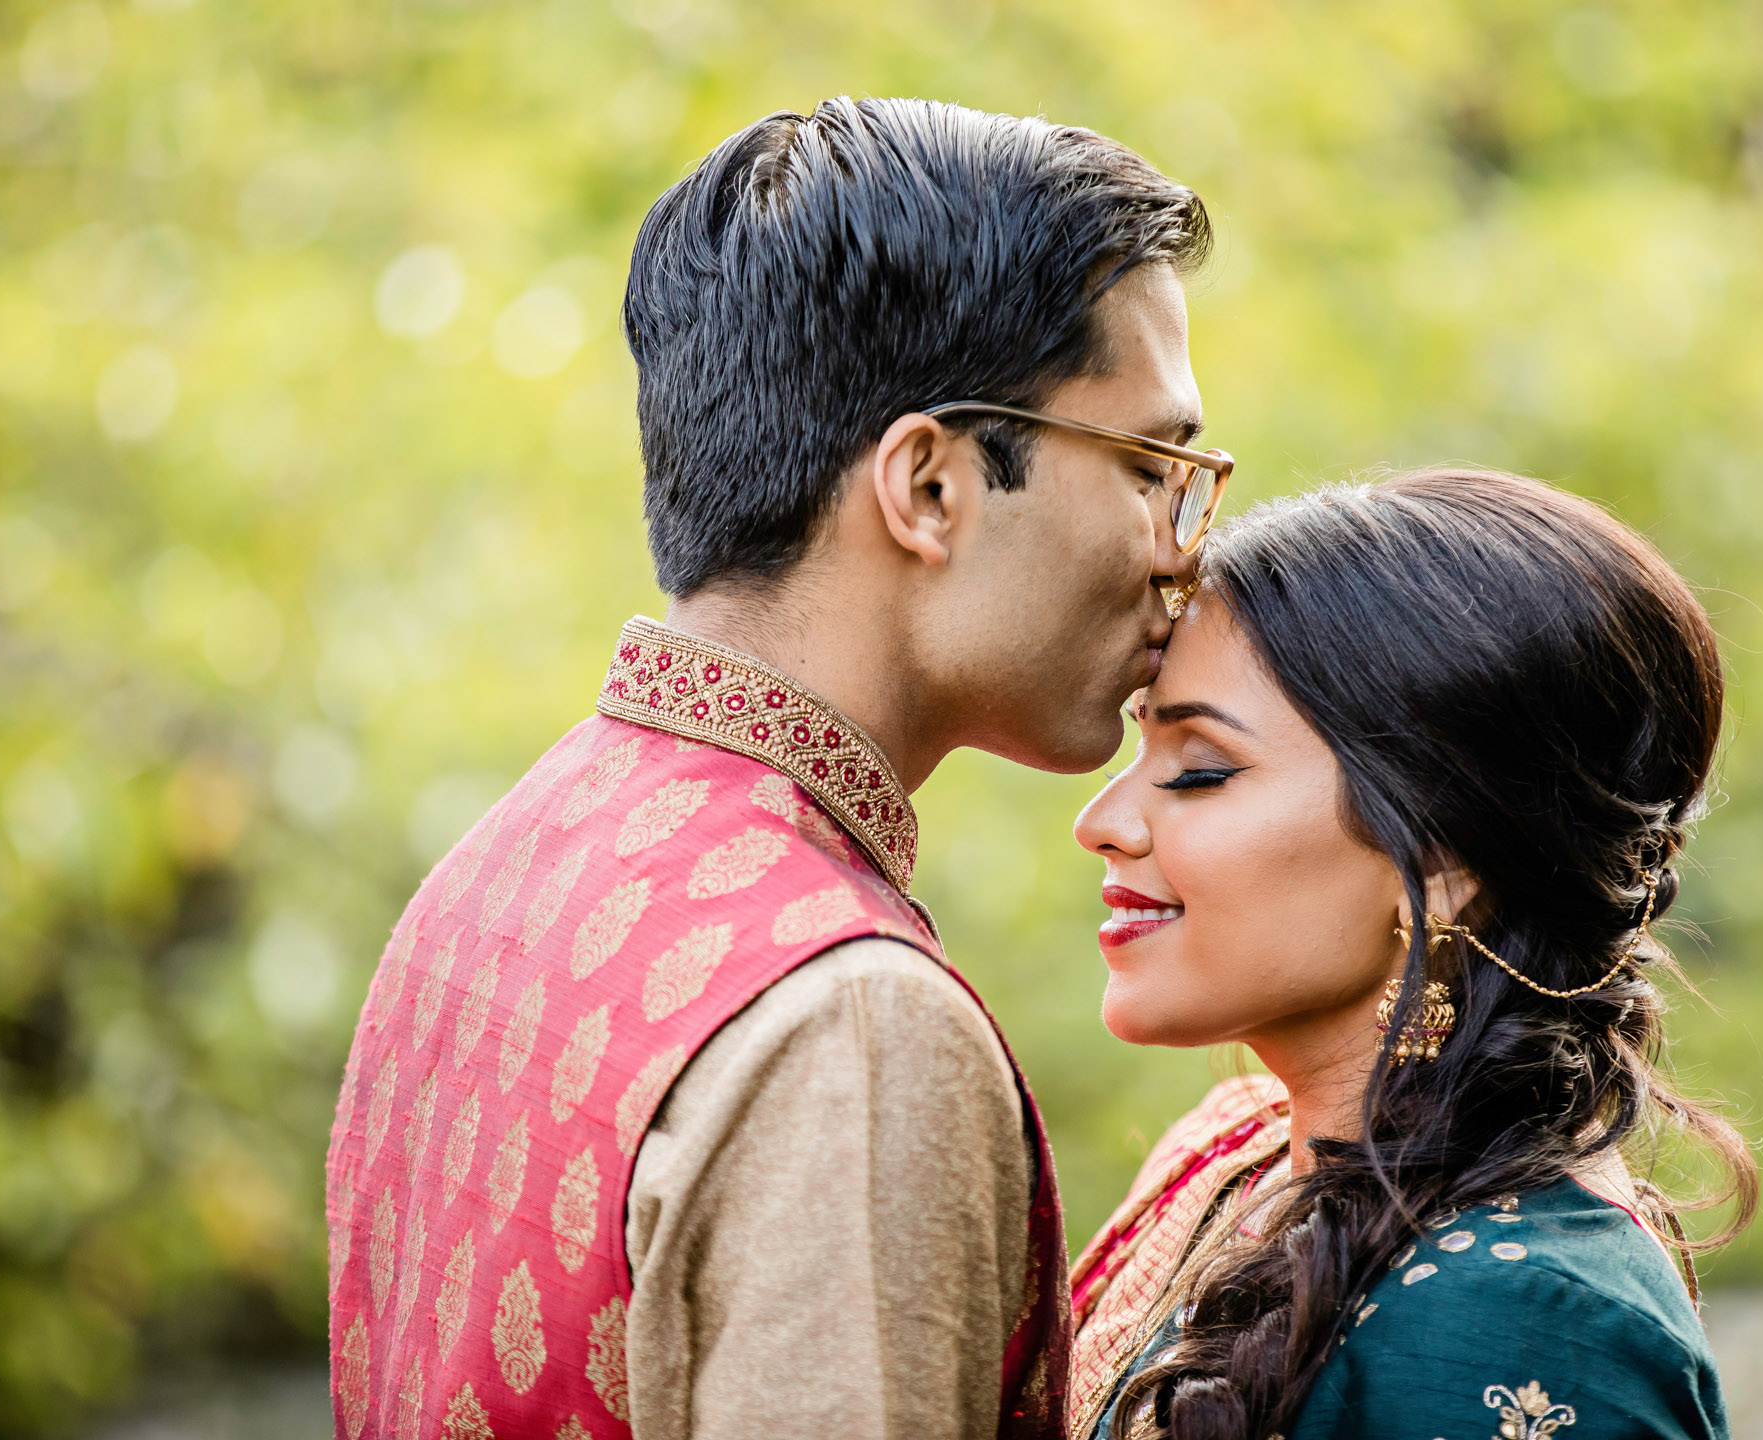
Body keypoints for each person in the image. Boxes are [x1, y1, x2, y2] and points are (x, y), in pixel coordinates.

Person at [325, 98, 1226, 1440]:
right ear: (928, 486)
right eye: (1154, 465)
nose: (1182, 547)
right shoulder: (853, 1029)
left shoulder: (505, 866)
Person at [1067, 470, 1759, 1440]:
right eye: (1138, 756)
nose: (1101, 822)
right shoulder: (1240, 1166)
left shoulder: (1525, 1329)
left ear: (1439, 861)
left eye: (1200, 772)